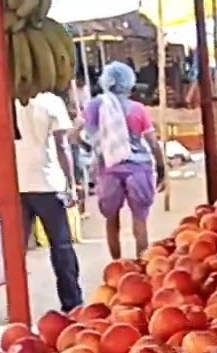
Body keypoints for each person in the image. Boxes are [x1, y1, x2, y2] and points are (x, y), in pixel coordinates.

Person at [78, 62, 166, 260]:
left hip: (108, 167)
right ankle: (142, 266)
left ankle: (117, 264)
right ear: (129, 83)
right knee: (140, 221)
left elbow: (74, 133)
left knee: (111, 219)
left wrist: (92, 147)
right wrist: (161, 169)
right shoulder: (138, 109)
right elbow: (153, 143)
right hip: (139, 168)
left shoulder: (94, 106)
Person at [15, 90, 83, 312]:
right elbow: (63, 146)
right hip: (48, 184)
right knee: (61, 247)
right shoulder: (51, 102)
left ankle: (16, 305)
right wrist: (71, 184)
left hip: (16, 184)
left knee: (16, 251)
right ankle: (72, 301)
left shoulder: (6, 100)